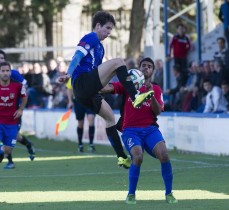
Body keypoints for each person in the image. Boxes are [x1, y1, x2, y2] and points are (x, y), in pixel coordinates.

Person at [57, 11, 154, 168]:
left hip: (86, 93)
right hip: (81, 82)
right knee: (118, 62)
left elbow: (98, 74)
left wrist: (106, 88)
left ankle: (121, 157)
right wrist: (68, 73)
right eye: (107, 28)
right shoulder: (91, 37)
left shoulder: (100, 48)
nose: (109, 32)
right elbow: (76, 57)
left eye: (111, 29)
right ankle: (135, 96)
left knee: (110, 118)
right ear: (97, 26)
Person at [100, 57, 177, 204]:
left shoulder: (156, 88)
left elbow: (158, 111)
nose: (146, 68)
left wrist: (151, 94)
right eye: (143, 65)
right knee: (137, 156)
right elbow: (109, 87)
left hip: (150, 130)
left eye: (149, 66)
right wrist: (93, 85)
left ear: (153, 71)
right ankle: (131, 194)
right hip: (130, 130)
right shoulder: (128, 85)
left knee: (164, 155)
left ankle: (169, 193)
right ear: (138, 68)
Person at [0, 49, 35, 166]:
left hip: (13, 114)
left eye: (1, 58)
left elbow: (24, 87)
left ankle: (28, 144)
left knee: (13, 138)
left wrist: (20, 107)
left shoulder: (13, 74)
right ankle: (9, 161)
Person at [66, 79, 96, 152]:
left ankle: (91, 144)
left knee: (91, 118)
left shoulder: (90, 71)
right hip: (78, 101)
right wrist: (70, 101)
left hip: (90, 100)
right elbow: (69, 88)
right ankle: (80, 144)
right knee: (80, 123)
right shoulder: (74, 73)